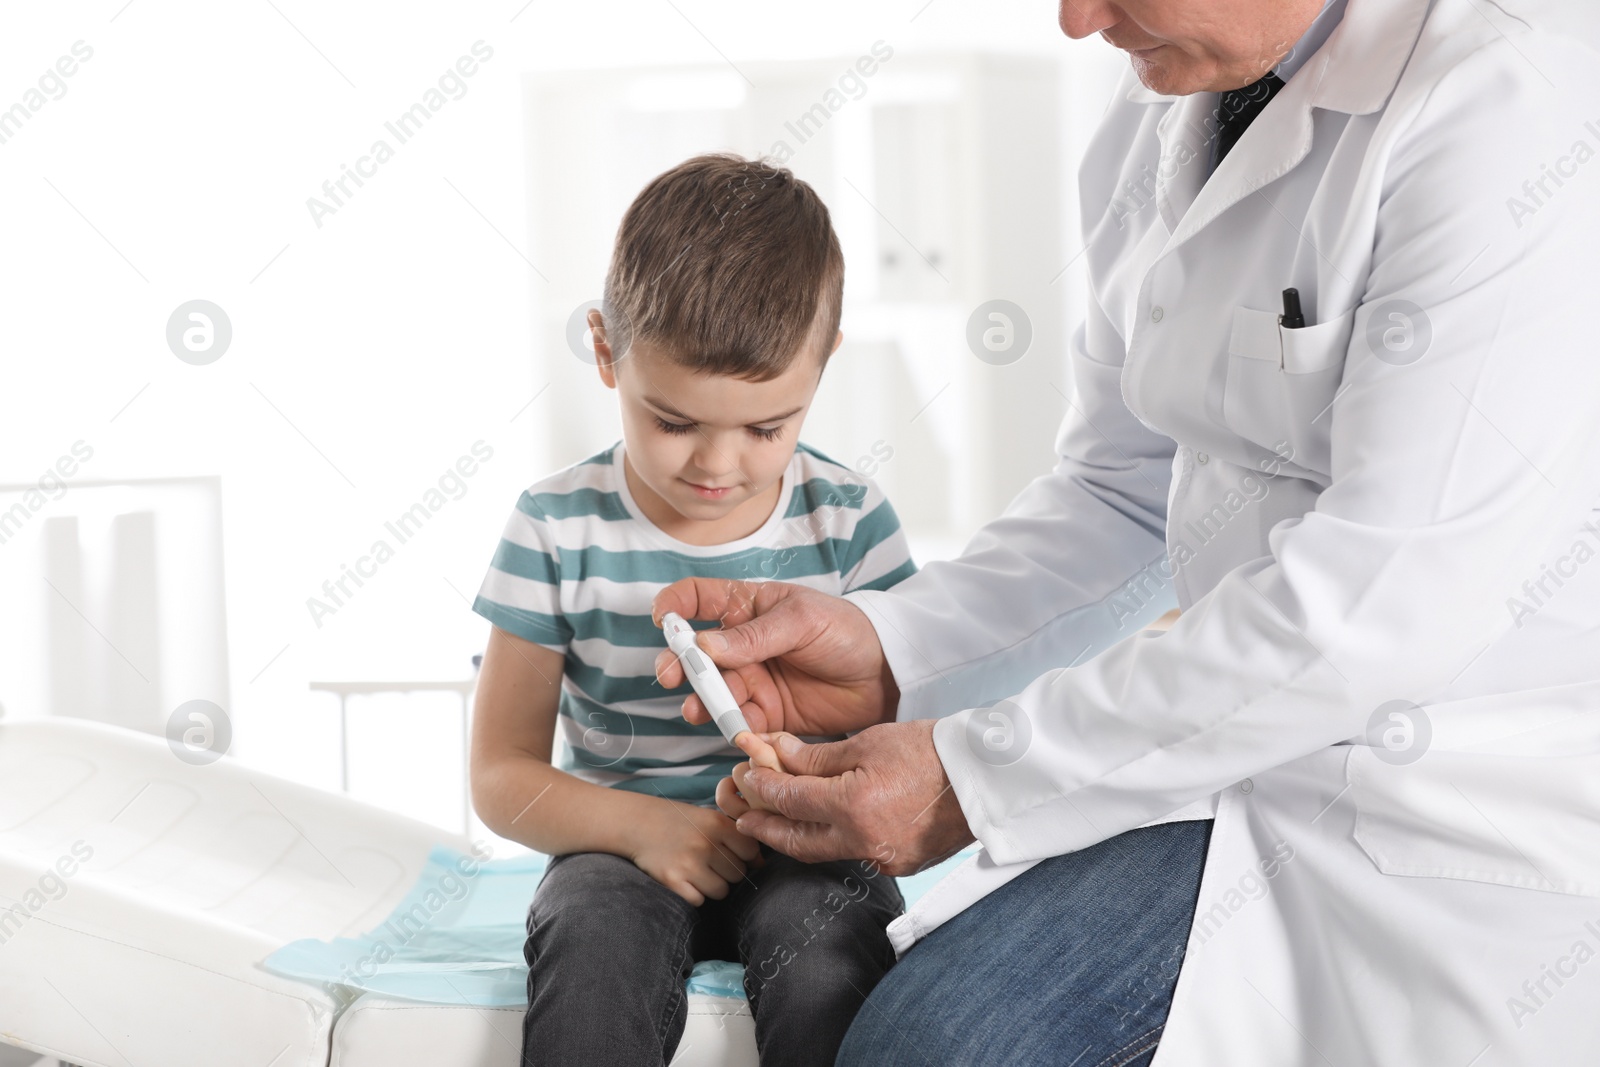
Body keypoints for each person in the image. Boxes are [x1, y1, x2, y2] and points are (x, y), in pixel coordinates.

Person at [653, 2, 1600, 1064]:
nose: (1073, 21)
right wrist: (894, 651)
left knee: (939, 1048)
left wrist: (977, 776)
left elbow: (1377, 605)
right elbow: (1123, 484)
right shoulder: (1163, 104)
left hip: (1440, 808)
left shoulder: (1513, 105)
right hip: (1222, 768)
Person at [468, 153, 916, 1067]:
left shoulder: (852, 521)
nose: (717, 465)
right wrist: (642, 827)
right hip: (618, 849)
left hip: (806, 845)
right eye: (673, 421)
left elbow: (906, 731)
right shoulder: (553, 527)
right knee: (592, 937)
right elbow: (499, 776)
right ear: (604, 350)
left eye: (765, 428)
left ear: (823, 362)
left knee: (826, 950)